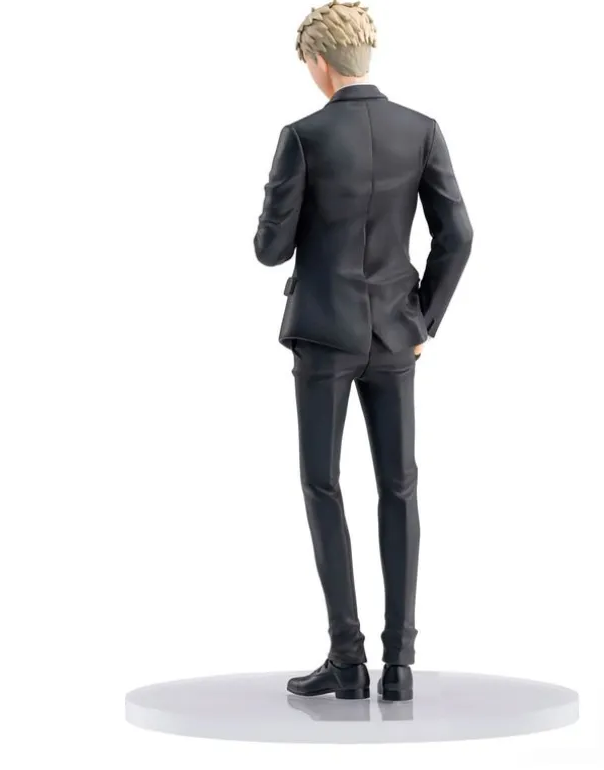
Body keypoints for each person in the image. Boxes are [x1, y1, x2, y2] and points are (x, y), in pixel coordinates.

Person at [254, 0, 473, 701]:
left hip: (323, 334)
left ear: (319, 62)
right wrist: (423, 321)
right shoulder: (421, 129)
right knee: (399, 487)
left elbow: (269, 250)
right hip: (395, 337)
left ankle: (347, 661)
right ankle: (399, 666)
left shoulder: (302, 136)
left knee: (322, 484)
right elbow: (458, 235)